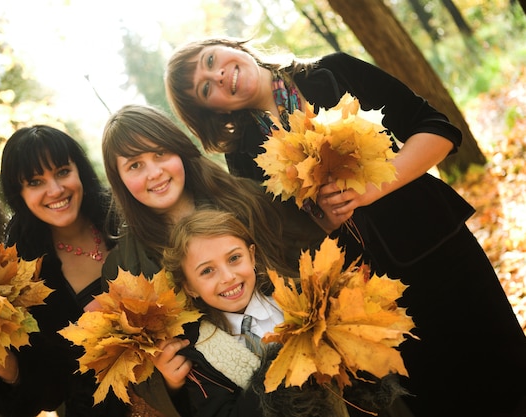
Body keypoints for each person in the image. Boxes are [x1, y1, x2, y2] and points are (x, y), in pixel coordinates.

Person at [164, 37, 526, 416]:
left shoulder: (332, 74)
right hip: (365, 300)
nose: (219, 75)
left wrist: (373, 188)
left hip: (436, 247)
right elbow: (286, 242)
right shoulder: (243, 158)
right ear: (212, 111)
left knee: (506, 365)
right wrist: (324, 220)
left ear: (230, 46)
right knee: (440, 398)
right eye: (206, 88)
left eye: (211, 60)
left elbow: (439, 129)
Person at [99, 104, 330, 417]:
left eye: (159, 154)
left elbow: (317, 254)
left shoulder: (245, 198)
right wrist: (171, 382)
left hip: (323, 361)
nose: (154, 172)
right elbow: (137, 371)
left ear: (179, 151)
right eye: (134, 165)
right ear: (120, 180)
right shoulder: (124, 268)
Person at [157, 208, 410, 417]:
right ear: (189, 287)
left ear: (252, 255)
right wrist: (281, 368)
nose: (228, 277)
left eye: (234, 258)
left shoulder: (305, 299)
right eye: (207, 271)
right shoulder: (200, 354)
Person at [0, 126, 128, 417]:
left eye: (61, 172)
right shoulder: (20, 277)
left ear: (78, 170)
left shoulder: (124, 215)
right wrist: (8, 370)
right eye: (35, 181)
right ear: (19, 194)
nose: (55, 190)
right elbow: (51, 393)